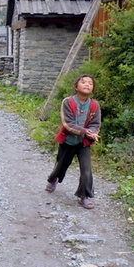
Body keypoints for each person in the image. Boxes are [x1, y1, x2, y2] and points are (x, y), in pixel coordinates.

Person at [45, 74, 101, 209]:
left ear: (92, 88)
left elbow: (95, 123)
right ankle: (53, 179)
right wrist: (84, 131)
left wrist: (92, 133)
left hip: (84, 143)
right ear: (76, 86)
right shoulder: (68, 102)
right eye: (84, 82)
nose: (87, 84)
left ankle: (84, 196)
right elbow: (67, 123)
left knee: (87, 169)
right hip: (68, 140)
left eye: (90, 83)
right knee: (61, 165)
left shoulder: (94, 105)